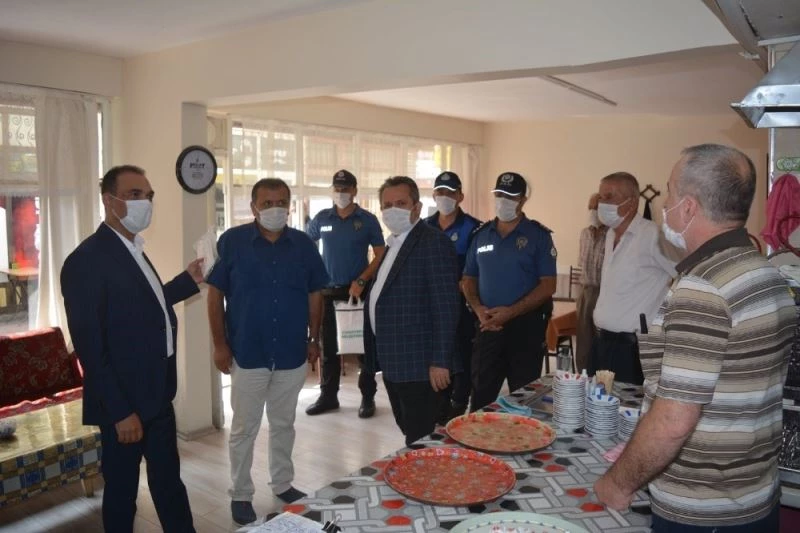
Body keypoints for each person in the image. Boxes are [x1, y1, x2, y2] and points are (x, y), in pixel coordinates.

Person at [595, 144, 796, 532]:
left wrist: (618, 484)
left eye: (670, 192)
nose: (665, 203)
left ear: (688, 208)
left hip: (703, 510)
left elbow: (674, 420)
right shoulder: (766, 272)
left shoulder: (704, 287)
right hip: (755, 496)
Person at [61, 165, 204, 533]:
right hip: (124, 404)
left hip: (157, 395)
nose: (146, 202)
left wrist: (188, 281)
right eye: (135, 194)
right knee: (123, 493)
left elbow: (145, 306)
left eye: (149, 195)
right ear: (109, 201)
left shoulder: (134, 249)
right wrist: (121, 411)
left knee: (169, 485)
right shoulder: (86, 261)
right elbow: (90, 347)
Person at [206, 178, 329, 525]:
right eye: (267, 203)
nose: (275, 209)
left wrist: (314, 339)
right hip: (248, 351)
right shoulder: (232, 242)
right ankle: (241, 493)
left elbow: (315, 294)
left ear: (289, 206)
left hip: (291, 351)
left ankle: (283, 483)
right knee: (244, 428)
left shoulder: (304, 245)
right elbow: (215, 295)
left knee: (284, 423)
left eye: (281, 202)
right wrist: (219, 344)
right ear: (253, 207)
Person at [364, 176, 460, 447]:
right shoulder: (393, 244)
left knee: (420, 436)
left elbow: (446, 306)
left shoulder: (433, 243)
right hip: (394, 360)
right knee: (409, 428)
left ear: (416, 207)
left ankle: (424, 472)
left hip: (421, 364)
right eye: (387, 205)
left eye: (401, 203)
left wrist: (440, 360)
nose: (392, 210)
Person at [463, 172, 557, 412]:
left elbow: (548, 285)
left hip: (525, 328)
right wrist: (478, 309)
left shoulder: (538, 236)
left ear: (523, 200)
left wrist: (511, 312)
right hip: (487, 325)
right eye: (499, 194)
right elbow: (468, 279)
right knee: (481, 397)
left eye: (510, 196)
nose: (503, 200)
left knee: (523, 399)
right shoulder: (481, 234)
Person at [305, 169, 385, 418]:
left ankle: (367, 398)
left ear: (354, 191)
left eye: (346, 189)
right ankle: (328, 397)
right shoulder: (322, 218)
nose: (341, 193)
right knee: (329, 348)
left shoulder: (367, 220)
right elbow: (306, 247)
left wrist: (362, 279)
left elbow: (381, 254)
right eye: (337, 189)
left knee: (363, 348)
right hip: (328, 293)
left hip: (357, 292)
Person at [590, 172, 676, 385]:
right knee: (597, 401)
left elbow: (687, 273)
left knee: (629, 404)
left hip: (632, 349)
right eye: (600, 197)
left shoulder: (653, 235)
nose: (602, 203)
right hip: (601, 342)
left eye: (609, 197)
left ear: (632, 203)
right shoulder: (610, 235)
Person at [424, 171, 481, 418]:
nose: (444, 196)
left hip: (462, 303)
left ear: (460, 196)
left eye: (450, 192)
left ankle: (459, 400)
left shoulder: (474, 228)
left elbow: (476, 269)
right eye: (440, 192)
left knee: (463, 352)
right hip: (430, 305)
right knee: (438, 351)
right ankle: (439, 403)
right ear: (433, 195)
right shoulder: (424, 227)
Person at [575, 193, 607, 373]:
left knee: (602, 339)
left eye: (596, 207)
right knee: (584, 340)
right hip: (585, 291)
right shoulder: (585, 234)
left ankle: (603, 376)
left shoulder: (612, 235)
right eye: (591, 208)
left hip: (604, 292)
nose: (592, 211)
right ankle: (583, 375)